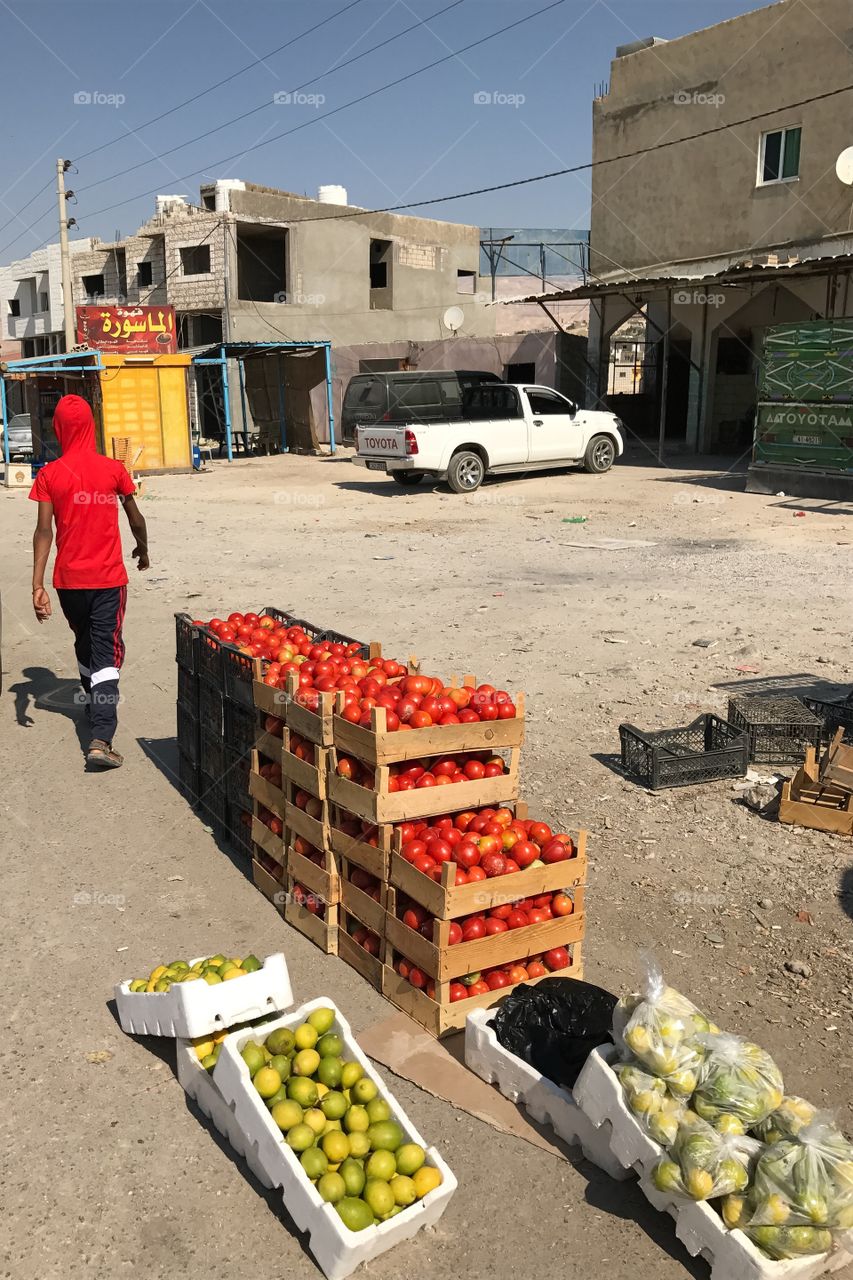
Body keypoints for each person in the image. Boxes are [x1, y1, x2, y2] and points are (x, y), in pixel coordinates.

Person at [29, 393, 149, 768]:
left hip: (68, 584)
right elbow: (135, 517)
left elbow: (43, 531)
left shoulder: (49, 474)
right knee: (107, 656)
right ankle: (101, 738)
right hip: (108, 580)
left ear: (60, 430)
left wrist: (38, 584)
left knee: (86, 644)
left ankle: (92, 700)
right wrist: (143, 550)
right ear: (91, 427)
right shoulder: (113, 470)